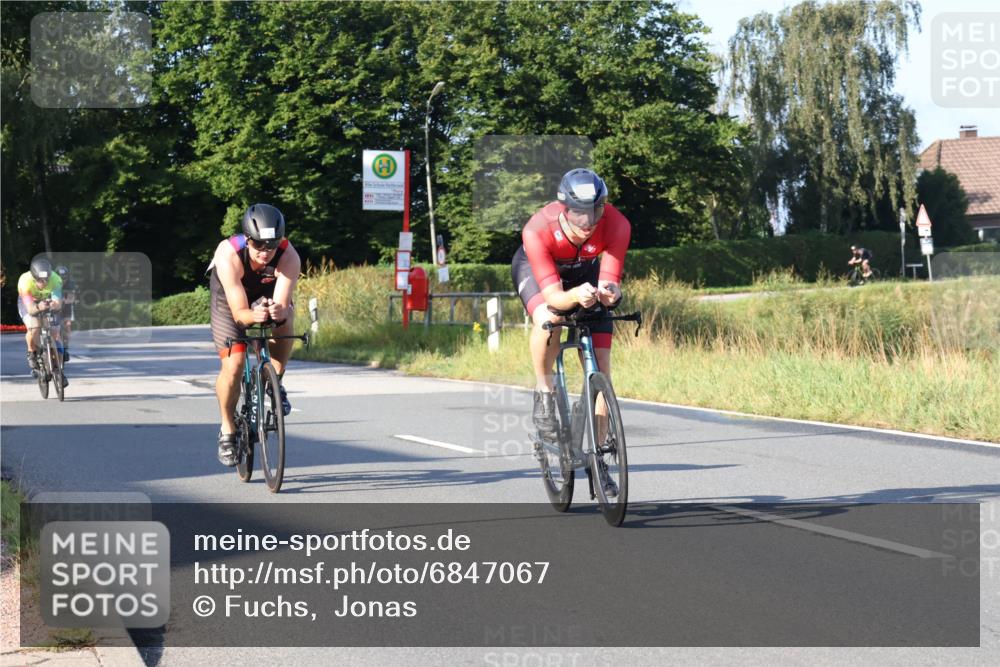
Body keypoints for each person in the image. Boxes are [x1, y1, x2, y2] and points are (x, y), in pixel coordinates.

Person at [511, 168, 631, 477]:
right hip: (539, 273)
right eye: (580, 214)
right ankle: (544, 391)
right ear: (564, 209)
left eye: (596, 211)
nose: (589, 222)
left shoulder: (617, 225)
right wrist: (575, 295)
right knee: (549, 318)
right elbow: (553, 297)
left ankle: (599, 458)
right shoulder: (537, 230)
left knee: (602, 371)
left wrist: (610, 293)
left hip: (584, 272)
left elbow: (611, 282)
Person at [208, 204, 301, 466]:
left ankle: (275, 381)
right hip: (230, 300)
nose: (265, 252)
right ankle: (227, 428)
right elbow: (239, 313)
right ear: (247, 239)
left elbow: (282, 303)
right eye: (258, 245)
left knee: (285, 320)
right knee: (235, 364)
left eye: (271, 245)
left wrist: (275, 312)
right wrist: (253, 315)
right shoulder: (229, 253)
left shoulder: (288, 256)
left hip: (266, 292)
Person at [17, 257, 67, 385]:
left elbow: (58, 303)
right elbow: (30, 309)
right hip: (29, 302)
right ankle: (31, 353)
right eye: (40, 280)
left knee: (56, 331)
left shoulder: (55, 279)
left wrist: (54, 304)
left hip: (46, 299)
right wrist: (39, 307)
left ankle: (60, 370)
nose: (44, 283)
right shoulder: (25, 282)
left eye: (46, 280)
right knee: (34, 327)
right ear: (34, 278)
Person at [54, 265, 77, 361]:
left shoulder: (70, 284)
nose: (62, 280)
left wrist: (64, 301)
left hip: (66, 306)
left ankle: (66, 348)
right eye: (60, 277)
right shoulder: (52, 282)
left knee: (67, 325)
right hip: (55, 307)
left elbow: (71, 297)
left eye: (64, 278)